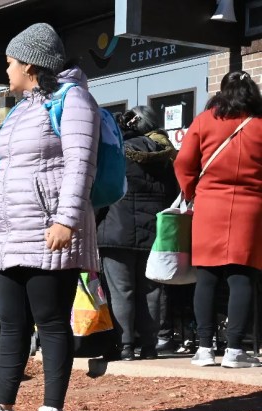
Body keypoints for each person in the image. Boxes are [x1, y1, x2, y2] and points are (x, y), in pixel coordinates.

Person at [0, 23, 100, 411]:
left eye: (9, 62)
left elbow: (80, 164)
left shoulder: (74, 99)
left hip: (48, 231)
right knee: (11, 325)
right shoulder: (19, 111)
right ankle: (3, 410)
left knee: (50, 322)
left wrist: (65, 219)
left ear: (29, 64)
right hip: (10, 236)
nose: (5, 69)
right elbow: (3, 175)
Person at [174, 70, 262, 369]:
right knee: (242, 279)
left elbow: (184, 162)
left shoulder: (205, 121)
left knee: (207, 279)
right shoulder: (260, 125)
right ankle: (236, 350)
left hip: (209, 205)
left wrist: (191, 191)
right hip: (251, 207)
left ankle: (204, 348)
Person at [97, 106, 178, 361]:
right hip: (154, 231)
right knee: (152, 290)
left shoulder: (117, 151)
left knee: (121, 291)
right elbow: (174, 194)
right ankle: (151, 346)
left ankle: (126, 346)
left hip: (116, 229)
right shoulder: (165, 157)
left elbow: (103, 190)